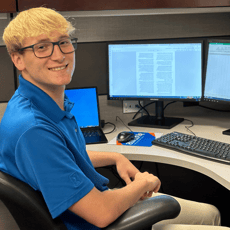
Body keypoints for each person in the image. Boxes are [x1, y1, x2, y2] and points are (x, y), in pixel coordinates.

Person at [0, 7, 228, 230]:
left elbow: (63, 156)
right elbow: (101, 214)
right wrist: (142, 184)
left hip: (91, 204)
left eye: (63, 42)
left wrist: (115, 157)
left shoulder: (37, 104)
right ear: (18, 59)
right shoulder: (34, 129)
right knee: (212, 218)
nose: (59, 55)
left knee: (210, 213)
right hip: (93, 218)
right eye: (41, 47)